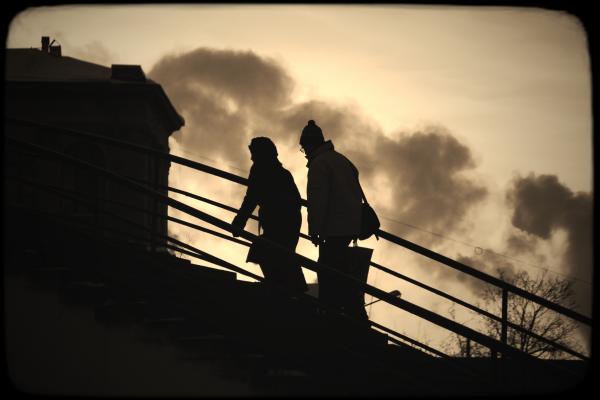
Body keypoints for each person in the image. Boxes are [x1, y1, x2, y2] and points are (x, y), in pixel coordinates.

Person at [299, 120, 368, 320]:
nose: (304, 153)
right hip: (350, 225)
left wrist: (315, 230)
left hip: (334, 227)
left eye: (304, 148)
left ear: (309, 144)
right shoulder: (342, 160)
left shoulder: (319, 164)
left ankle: (332, 313)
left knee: (328, 270)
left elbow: (318, 200)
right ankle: (352, 314)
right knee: (341, 271)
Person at [231, 137, 308, 295]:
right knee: (282, 253)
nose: (251, 158)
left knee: (267, 250)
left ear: (261, 154)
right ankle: (292, 289)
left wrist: (239, 222)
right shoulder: (283, 173)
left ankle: (287, 288)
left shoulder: (260, 170)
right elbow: (296, 201)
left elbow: (251, 198)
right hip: (290, 222)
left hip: (278, 222)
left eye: (253, 154)